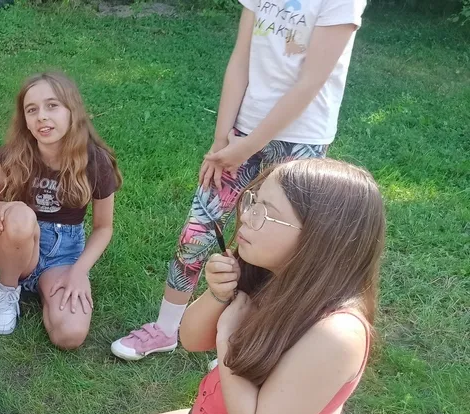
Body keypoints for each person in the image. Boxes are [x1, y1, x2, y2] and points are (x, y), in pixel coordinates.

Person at [87, 159, 385, 414]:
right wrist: (217, 294)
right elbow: (190, 339)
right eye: (253, 201)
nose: (246, 216)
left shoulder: (337, 334)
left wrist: (227, 338)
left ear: (320, 237)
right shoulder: (267, 275)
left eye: (266, 212)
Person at [111, 0, 368, 360]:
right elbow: (240, 60)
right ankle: (166, 329)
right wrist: (222, 140)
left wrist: (247, 146)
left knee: (276, 246)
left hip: (301, 140)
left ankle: (249, 342)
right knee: (197, 228)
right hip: (238, 134)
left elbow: (310, 81)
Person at [0, 71, 122, 349]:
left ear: (72, 111)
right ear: (25, 120)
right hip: (19, 246)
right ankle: (7, 289)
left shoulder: (95, 161)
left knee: (70, 335)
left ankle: (48, 292)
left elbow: (103, 228)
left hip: (64, 254)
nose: (42, 117)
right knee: (21, 215)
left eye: (52, 106)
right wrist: (1, 206)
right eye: (32, 110)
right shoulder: (11, 154)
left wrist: (79, 271)